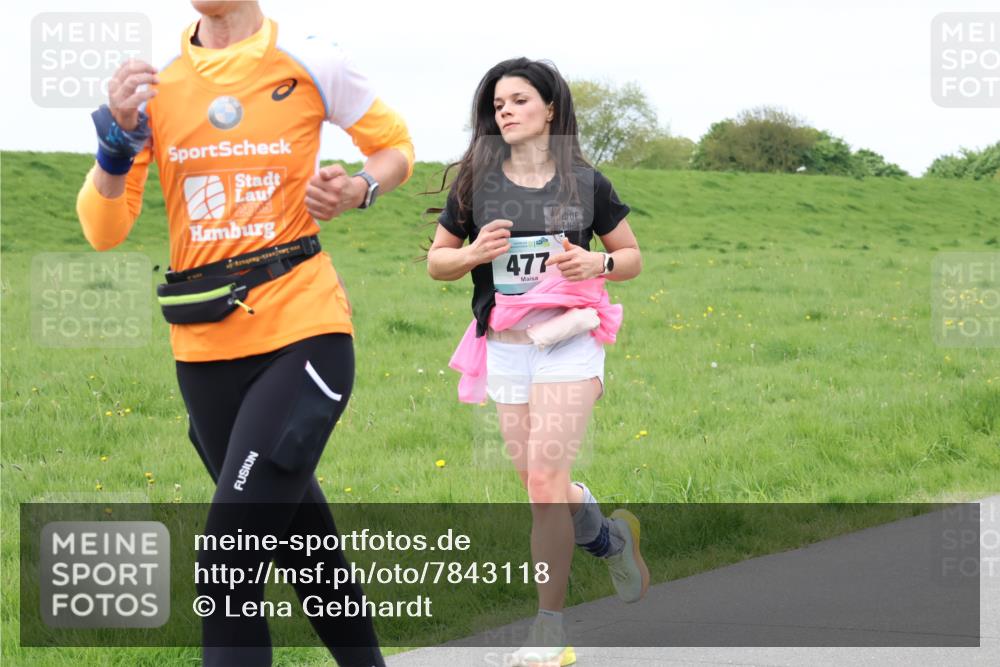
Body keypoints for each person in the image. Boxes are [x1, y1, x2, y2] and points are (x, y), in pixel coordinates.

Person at [75, 2, 413, 665]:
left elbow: (395, 146)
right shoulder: (155, 89)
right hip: (202, 351)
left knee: (226, 564)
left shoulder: (314, 60)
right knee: (301, 542)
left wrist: (361, 187)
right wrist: (116, 137)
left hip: (303, 331)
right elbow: (103, 228)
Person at [426, 57, 648, 667]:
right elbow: (436, 262)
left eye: (519, 100)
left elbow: (630, 256)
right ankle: (609, 538)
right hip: (505, 349)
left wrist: (596, 265)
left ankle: (548, 631)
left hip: (571, 343)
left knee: (545, 482)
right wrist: (473, 252)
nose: (506, 111)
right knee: (539, 485)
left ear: (550, 108)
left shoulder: (584, 182)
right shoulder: (475, 183)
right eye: (498, 104)